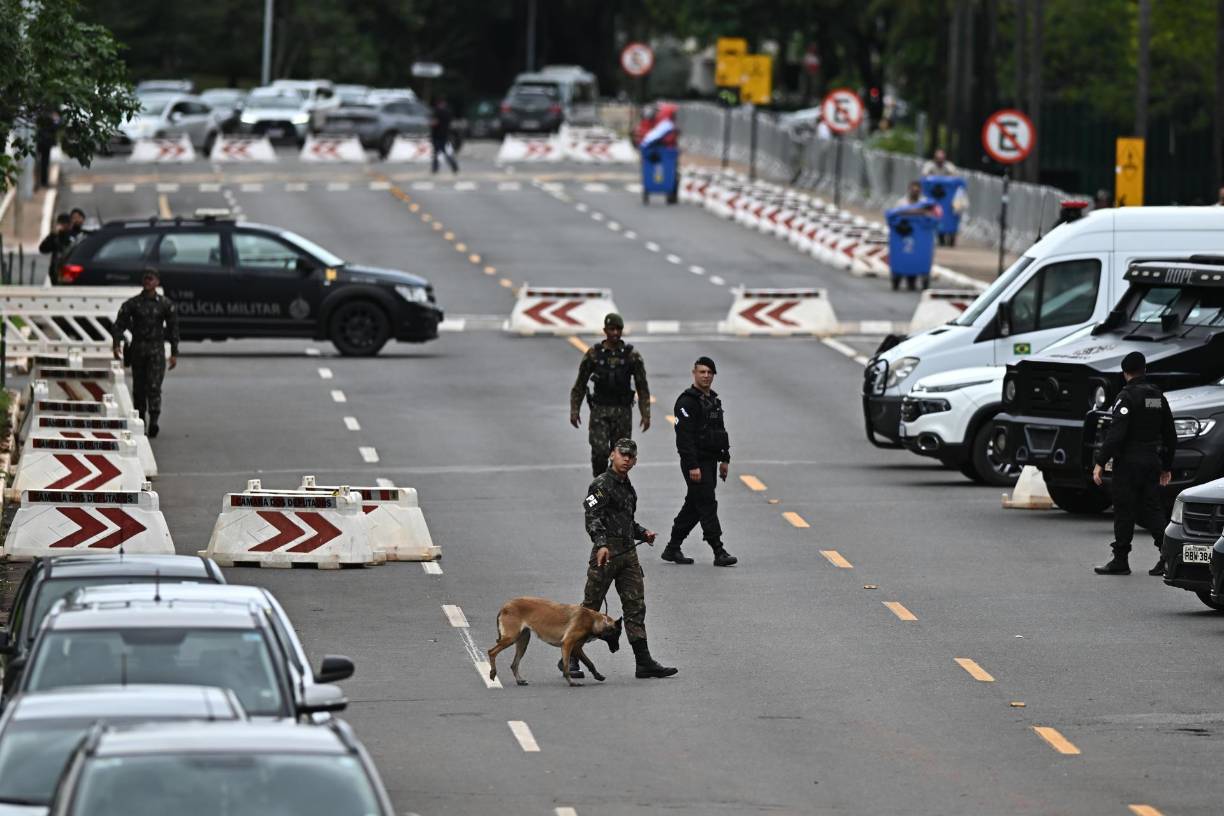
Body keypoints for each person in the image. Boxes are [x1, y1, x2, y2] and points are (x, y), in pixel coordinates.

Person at [578, 438, 677, 680]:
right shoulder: (600, 485)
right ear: (612, 454)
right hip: (607, 554)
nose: (626, 459)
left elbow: (625, 521)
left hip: (628, 555)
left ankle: (643, 662)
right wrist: (601, 544)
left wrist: (643, 533)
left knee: (635, 606)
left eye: (631, 456)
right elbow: (592, 517)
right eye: (623, 454)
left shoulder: (626, 485)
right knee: (590, 609)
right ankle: (570, 658)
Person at [1092, 351, 1177, 576]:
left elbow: (1116, 434)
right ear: (1144, 370)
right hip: (1151, 461)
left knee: (1124, 509)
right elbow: (1170, 433)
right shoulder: (1156, 397)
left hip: (1128, 463)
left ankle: (1120, 559)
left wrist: (1100, 462)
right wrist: (1167, 466)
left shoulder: (1126, 397)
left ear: (1124, 373)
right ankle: (1168, 557)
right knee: (1152, 508)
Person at [662, 357, 737, 567]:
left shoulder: (713, 400)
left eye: (709, 372)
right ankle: (718, 550)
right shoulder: (686, 402)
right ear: (694, 373)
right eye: (702, 372)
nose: (706, 376)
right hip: (694, 462)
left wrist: (724, 459)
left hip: (710, 460)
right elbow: (683, 439)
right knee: (706, 503)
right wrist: (692, 466)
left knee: (694, 505)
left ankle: (672, 547)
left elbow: (720, 432)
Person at [570, 313, 650, 477]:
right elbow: (580, 384)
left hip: (623, 413)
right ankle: (599, 490)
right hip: (600, 411)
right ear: (605, 330)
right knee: (599, 452)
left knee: (621, 458)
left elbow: (642, 386)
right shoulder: (594, 354)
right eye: (611, 329)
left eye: (618, 329)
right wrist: (574, 409)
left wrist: (645, 413)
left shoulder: (631, 355)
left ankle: (618, 493)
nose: (615, 333)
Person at [111, 269, 179, 438]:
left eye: (151, 279)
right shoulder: (133, 304)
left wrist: (174, 352)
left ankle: (154, 420)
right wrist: (116, 343)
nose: (148, 281)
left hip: (156, 351)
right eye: (145, 279)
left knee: (154, 387)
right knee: (139, 388)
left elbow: (173, 328)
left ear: (157, 282)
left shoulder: (165, 304)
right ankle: (141, 420)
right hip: (138, 350)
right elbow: (120, 324)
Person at [429, 98, 458, 174]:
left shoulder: (437, 112)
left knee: (437, 152)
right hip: (445, 134)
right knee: (442, 152)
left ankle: (435, 168)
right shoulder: (448, 112)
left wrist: (430, 123)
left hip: (437, 135)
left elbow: (435, 122)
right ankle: (453, 166)